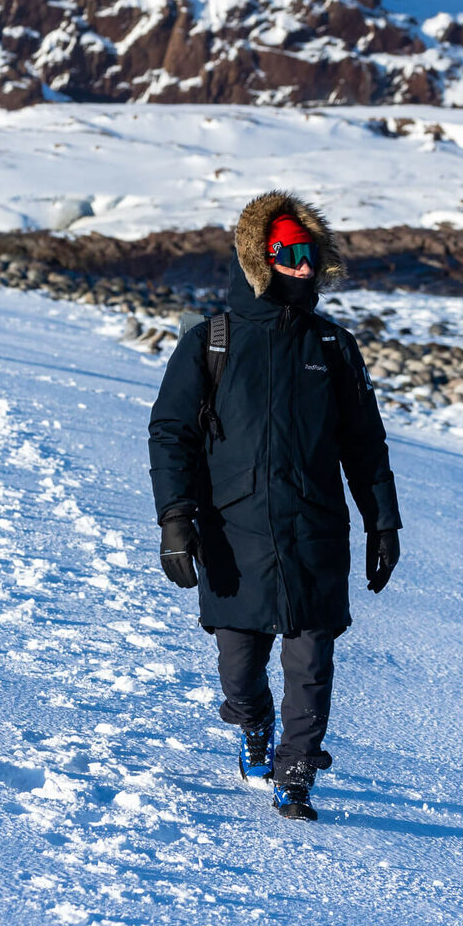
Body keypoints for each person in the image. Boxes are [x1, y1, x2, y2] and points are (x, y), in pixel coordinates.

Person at [148, 191, 402, 822]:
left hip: (315, 528)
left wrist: (382, 522)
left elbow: (364, 444)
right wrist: (176, 520)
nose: (302, 265)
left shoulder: (334, 347)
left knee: (311, 657)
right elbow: (170, 432)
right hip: (232, 532)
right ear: (259, 259)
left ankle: (297, 769)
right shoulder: (213, 342)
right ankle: (252, 723)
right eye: (287, 253)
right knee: (239, 665)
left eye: (309, 252)